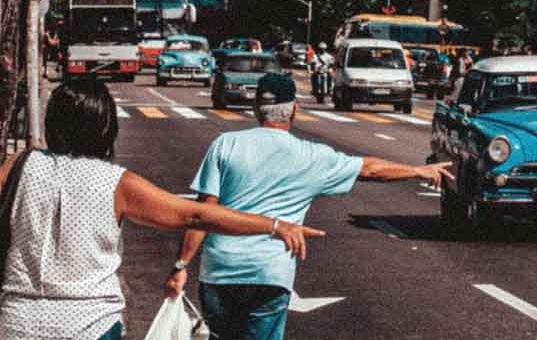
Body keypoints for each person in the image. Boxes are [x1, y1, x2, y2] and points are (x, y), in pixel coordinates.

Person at [0, 79, 325, 340]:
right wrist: (273, 226)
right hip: (89, 325)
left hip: (17, 322)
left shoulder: (20, 165)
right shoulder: (117, 183)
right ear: (106, 126)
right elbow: (194, 214)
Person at [165, 73, 454, 340]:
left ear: (256, 107)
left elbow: (202, 214)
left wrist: (180, 266)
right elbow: (370, 169)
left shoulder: (225, 144)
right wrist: (418, 171)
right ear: (294, 109)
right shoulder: (311, 156)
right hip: (269, 274)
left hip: (220, 272)